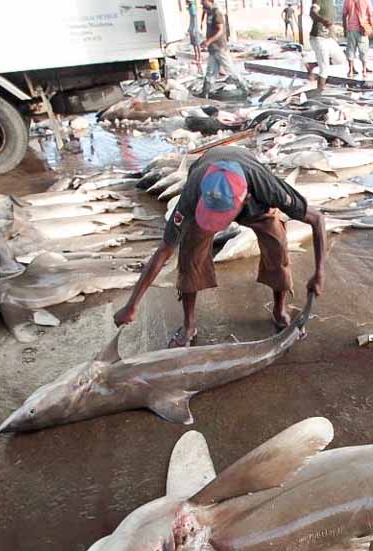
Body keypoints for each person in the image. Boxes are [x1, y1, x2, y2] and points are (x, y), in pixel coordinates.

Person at [113, 147, 326, 346]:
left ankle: (279, 310)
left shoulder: (268, 187)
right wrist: (132, 304)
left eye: (221, 218)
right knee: (189, 257)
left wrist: (319, 273)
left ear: (246, 199)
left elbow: (317, 220)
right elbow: (164, 250)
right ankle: (189, 324)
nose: (219, 224)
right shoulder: (193, 193)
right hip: (206, 194)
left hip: (256, 204)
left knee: (277, 248)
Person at [201, 0, 243, 98]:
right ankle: (205, 93)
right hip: (212, 49)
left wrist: (208, 41)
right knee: (210, 71)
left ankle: (243, 89)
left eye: (203, 1)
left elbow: (220, 31)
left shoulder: (217, 13)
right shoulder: (209, 13)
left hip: (220, 47)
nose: (201, 3)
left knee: (230, 70)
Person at [308, 0, 336, 91]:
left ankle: (313, 65)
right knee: (324, 69)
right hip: (319, 36)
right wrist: (322, 20)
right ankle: (319, 92)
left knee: (340, 60)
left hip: (328, 38)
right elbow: (312, 13)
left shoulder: (331, 2)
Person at [342, 0, 373, 78]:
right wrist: (371, 28)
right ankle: (364, 70)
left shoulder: (347, 1)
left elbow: (344, 16)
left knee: (350, 49)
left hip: (351, 29)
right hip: (362, 29)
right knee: (363, 50)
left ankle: (351, 70)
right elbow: (370, 15)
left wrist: (345, 29)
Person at [187, 0, 203, 74]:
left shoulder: (192, 8)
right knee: (194, 44)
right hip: (192, 28)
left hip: (195, 29)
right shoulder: (190, 7)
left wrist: (193, 29)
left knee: (197, 44)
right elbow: (191, 20)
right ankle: (196, 58)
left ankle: (199, 58)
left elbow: (194, 20)